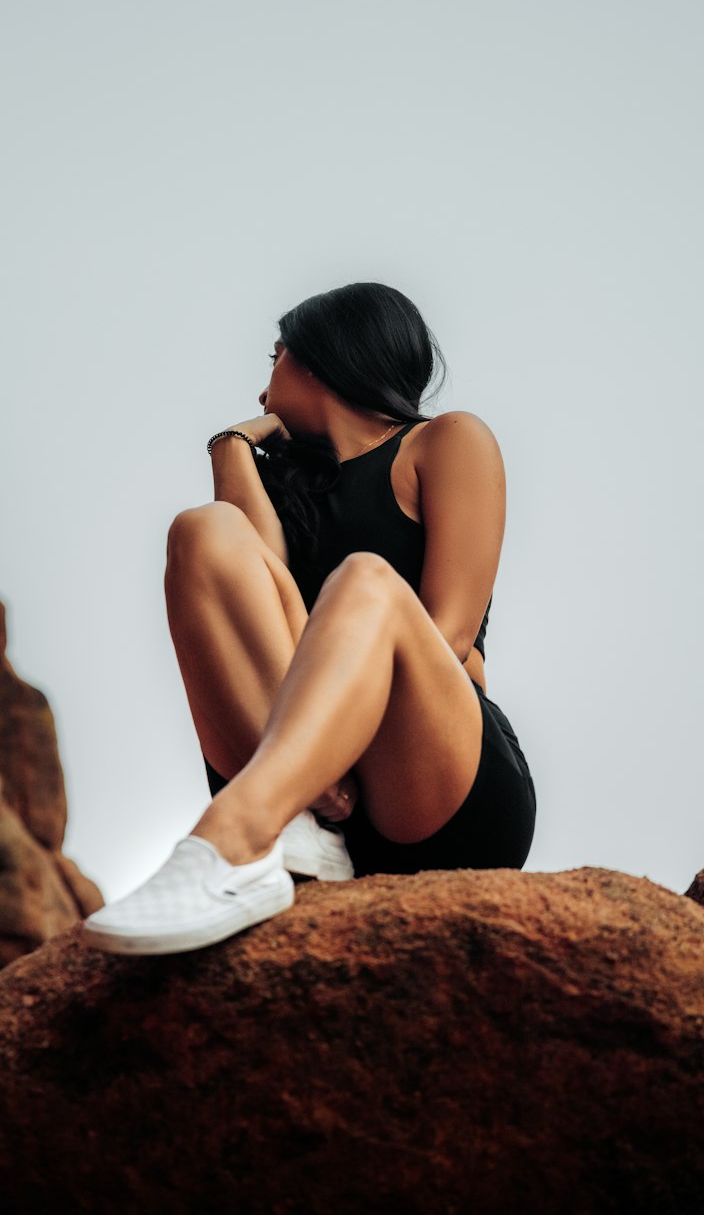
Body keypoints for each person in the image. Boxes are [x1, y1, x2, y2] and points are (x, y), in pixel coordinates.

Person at [81, 281, 536, 955]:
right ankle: (292, 821)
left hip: (435, 784)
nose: (262, 395)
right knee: (201, 531)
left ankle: (231, 839)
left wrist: (339, 709)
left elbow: (451, 632)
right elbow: (246, 606)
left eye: (275, 358)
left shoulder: (444, 442)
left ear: (319, 358)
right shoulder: (285, 486)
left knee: (365, 581)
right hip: (328, 808)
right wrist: (231, 446)